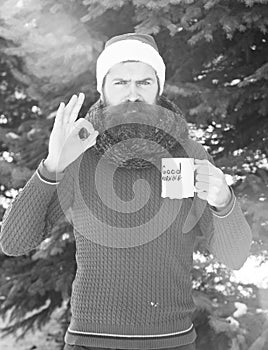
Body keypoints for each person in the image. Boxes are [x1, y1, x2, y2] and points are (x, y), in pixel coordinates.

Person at [0, 33, 252, 350]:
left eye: (144, 82)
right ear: (102, 90)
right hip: (89, 342)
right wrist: (52, 166)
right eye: (120, 82)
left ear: (158, 89)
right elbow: (14, 241)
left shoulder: (189, 153)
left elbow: (236, 257)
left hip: (171, 342)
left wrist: (223, 201)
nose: (133, 94)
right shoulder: (79, 153)